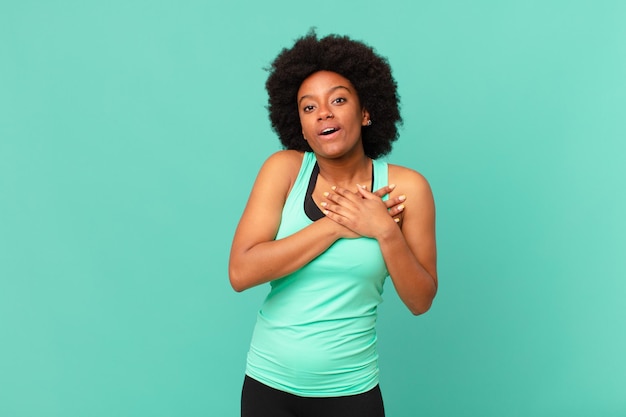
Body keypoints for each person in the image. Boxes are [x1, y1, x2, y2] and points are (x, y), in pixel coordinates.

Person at [229, 31, 437, 417]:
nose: (323, 112)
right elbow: (241, 272)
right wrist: (337, 225)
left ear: (365, 112)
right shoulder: (285, 171)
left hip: (352, 392)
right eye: (309, 108)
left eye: (338, 100)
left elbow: (421, 300)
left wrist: (385, 229)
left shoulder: (407, 188)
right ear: (302, 128)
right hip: (268, 387)